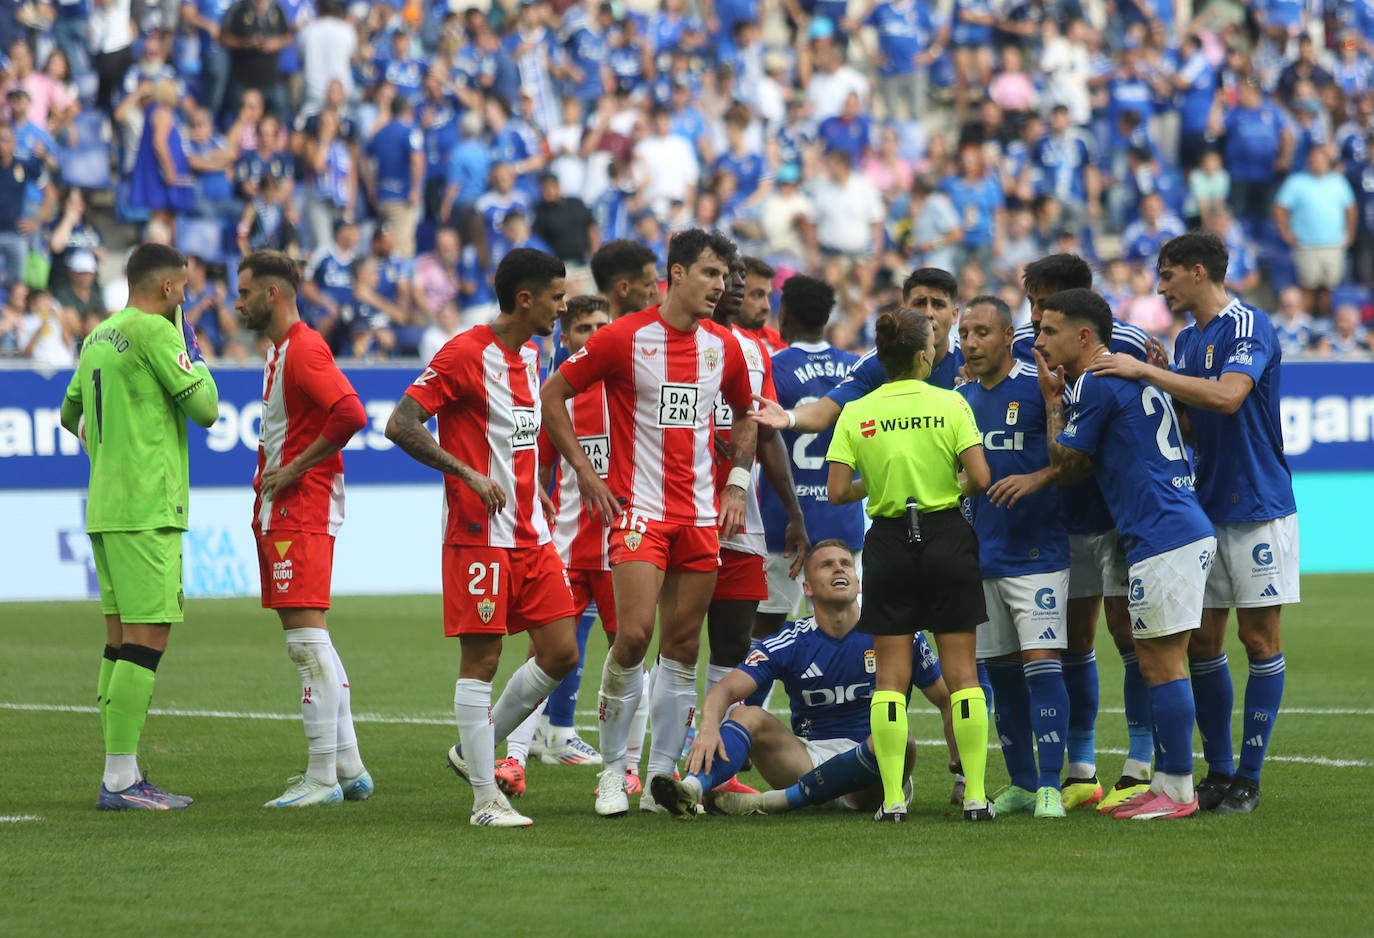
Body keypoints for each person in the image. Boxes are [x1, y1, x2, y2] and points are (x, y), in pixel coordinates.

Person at [541, 228, 756, 817]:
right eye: (710, 274)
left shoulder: (725, 348)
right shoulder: (623, 338)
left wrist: (737, 483)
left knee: (683, 648)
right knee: (633, 636)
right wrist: (586, 472)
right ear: (677, 274)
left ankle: (662, 779)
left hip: (701, 516)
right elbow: (552, 393)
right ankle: (615, 773)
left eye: (725, 277)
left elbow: (747, 415)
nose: (721, 287)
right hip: (638, 511)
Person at [1090, 232, 1299, 814]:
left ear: (1198, 271)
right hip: (1203, 507)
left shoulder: (1248, 326)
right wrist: (1165, 380)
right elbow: (1190, 417)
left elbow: (1230, 397)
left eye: (1167, 275)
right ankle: (1220, 772)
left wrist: (1147, 374)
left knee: (1259, 639)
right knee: (1204, 641)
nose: (1160, 287)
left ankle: (1250, 779)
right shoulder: (1187, 339)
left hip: (1258, 505)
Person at [385, 248, 581, 828]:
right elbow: (401, 423)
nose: (562, 307)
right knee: (484, 657)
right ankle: (485, 800)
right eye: (556, 297)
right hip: (479, 535)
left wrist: (535, 488)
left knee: (562, 651)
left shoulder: (533, 352)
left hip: (531, 531)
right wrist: (466, 472)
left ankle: (476, 744)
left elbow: (519, 436)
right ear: (526, 299)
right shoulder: (464, 353)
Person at [1036, 287, 1216, 820]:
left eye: (1049, 330)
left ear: (1084, 336)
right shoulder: (1126, 373)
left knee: (1162, 663)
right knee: (1162, 658)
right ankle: (1163, 779)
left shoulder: (1096, 381)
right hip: (1174, 525)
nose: (1040, 340)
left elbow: (1067, 463)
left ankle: (1178, 789)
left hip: (1164, 533)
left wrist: (1052, 403)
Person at [59, 242, 220, 809]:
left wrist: (108, 449)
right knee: (148, 639)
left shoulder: (96, 337)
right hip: (148, 507)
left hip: (105, 506)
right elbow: (207, 410)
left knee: (120, 640)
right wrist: (192, 348)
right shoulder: (157, 333)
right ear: (169, 288)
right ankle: (121, 780)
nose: (186, 296)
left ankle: (118, 771)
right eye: (185, 287)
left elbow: (68, 413)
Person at [826, 306, 994, 822]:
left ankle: (894, 799)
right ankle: (976, 796)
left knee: (890, 681)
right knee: (963, 675)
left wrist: (876, 485)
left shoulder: (858, 411)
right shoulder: (951, 404)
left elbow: (836, 492)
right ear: (925, 354)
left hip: (889, 543)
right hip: (946, 535)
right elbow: (981, 478)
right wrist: (948, 487)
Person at [1011, 253, 1155, 812]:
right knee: (1072, 639)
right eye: (1030, 305)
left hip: (1118, 514)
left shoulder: (1130, 346)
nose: (1034, 319)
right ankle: (1080, 767)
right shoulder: (1023, 348)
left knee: (1130, 634)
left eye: (1043, 306)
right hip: (1059, 518)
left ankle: (1141, 762)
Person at [651, 541, 932, 818]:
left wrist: (964, 768)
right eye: (827, 565)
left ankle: (772, 803)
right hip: (807, 762)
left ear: (858, 583)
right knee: (745, 714)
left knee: (901, 739)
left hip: (876, 773)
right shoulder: (791, 641)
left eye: (846, 564)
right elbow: (724, 690)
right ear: (807, 588)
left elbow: (947, 697)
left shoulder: (895, 634)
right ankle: (689, 790)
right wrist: (709, 728)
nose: (839, 570)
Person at [235, 250, 372, 808]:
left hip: (300, 507)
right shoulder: (285, 351)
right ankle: (348, 764)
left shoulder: (303, 349)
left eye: (244, 292)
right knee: (315, 639)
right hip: (293, 506)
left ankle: (322, 778)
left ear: (272, 294)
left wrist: (293, 468)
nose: (236, 302)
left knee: (305, 643)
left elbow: (351, 413)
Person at [958, 294, 1072, 819]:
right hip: (983, 556)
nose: (971, 342)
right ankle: (1023, 782)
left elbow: (1074, 460)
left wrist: (1039, 477)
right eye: (964, 333)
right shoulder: (958, 399)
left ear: (1009, 336)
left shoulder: (1040, 385)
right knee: (999, 673)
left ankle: (1051, 781)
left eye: (982, 332)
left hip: (1038, 552)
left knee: (1042, 664)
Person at [750, 267, 964, 434]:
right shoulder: (879, 362)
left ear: (954, 314)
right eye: (919, 303)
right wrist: (788, 418)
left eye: (938, 305)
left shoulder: (971, 359)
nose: (928, 313)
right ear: (904, 309)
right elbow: (826, 410)